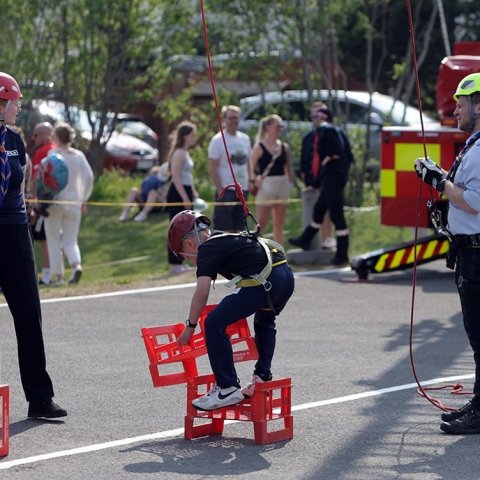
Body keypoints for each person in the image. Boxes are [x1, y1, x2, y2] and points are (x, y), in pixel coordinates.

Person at [168, 210, 295, 411]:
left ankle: (227, 387)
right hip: (284, 276)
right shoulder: (223, 237)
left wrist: (190, 326)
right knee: (264, 321)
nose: (190, 261)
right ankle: (262, 377)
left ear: (190, 244)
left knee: (213, 323)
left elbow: (202, 292)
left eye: (185, 256)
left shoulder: (207, 249)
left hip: (263, 281)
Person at [414, 72, 480, 435]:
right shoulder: (474, 145)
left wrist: (440, 181)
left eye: (461, 102)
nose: (454, 108)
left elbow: (474, 201)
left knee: (479, 334)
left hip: (476, 255)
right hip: (469, 253)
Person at [0, 71, 67, 418]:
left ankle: (40, 398)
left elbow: (21, 184)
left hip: (14, 232)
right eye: (14, 100)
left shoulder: (15, 140)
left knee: (28, 313)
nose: (19, 106)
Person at [289, 103, 351, 266]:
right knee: (319, 210)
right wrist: (315, 182)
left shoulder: (328, 130)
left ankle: (342, 253)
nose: (312, 120)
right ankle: (305, 239)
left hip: (333, 178)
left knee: (337, 215)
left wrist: (328, 159)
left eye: (315, 116)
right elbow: (348, 156)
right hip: (331, 177)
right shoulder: (334, 131)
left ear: (322, 118)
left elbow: (336, 153)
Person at [44, 122, 94, 285]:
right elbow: (88, 177)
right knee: (71, 239)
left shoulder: (54, 153)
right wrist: (83, 198)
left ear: (57, 137)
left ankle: (58, 277)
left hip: (56, 201)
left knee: (53, 239)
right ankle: (76, 265)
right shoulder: (78, 155)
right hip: (74, 201)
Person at [249, 114, 293, 244]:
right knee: (261, 223)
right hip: (266, 185)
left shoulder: (284, 147)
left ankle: (280, 252)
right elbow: (250, 166)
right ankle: (255, 250)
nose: (279, 129)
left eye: (281, 126)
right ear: (268, 127)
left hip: (282, 185)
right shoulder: (259, 147)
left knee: (279, 223)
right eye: (277, 126)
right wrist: (253, 180)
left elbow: (288, 168)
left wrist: (289, 183)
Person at [208, 105, 252, 232]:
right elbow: (213, 168)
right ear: (224, 119)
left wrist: (251, 181)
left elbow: (249, 162)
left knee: (240, 227)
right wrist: (220, 188)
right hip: (226, 190)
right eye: (231, 117)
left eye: (237, 117)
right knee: (223, 228)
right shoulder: (217, 140)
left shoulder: (245, 138)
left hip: (242, 189)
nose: (234, 120)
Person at [300, 102, 337, 249]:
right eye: (314, 115)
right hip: (312, 179)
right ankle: (311, 242)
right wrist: (305, 178)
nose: (317, 118)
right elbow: (305, 159)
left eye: (320, 114)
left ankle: (327, 239)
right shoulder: (308, 137)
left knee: (327, 209)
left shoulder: (330, 133)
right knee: (314, 210)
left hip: (326, 178)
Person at [166, 121, 199, 275]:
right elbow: (176, 176)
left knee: (187, 229)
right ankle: (174, 264)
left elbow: (188, 176)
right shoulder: (179, 152)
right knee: (176, 229)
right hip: (178, 192)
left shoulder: (185, 152)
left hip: (185, 190)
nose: (195, 137)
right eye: (193, 134)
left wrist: (193, 192)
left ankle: (182, 261)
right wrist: (185, 197)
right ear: (185, 136)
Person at [30, 122, 55, 285]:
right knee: (55, 239)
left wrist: (32, 200)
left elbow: (34, 178)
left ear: (47, 134)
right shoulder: (59, 150)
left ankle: (46, 276)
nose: (34, 138)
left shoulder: (42, 152)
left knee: (44, 240)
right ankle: (56, 273)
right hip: (59, 200)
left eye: (37, 134)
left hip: (44, 202)